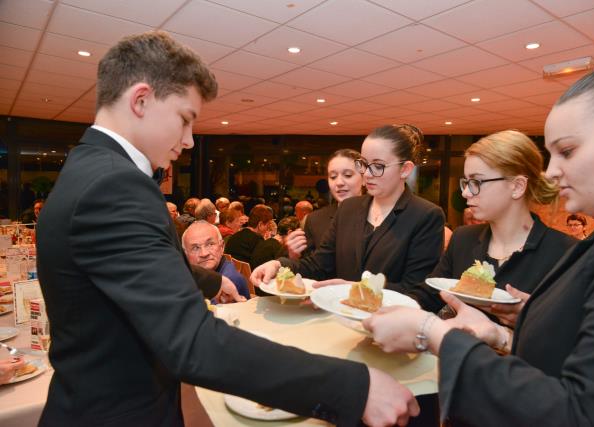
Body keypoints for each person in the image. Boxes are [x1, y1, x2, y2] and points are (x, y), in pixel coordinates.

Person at [36, 31, 417, 427]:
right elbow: (193, 342)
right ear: (141, 100)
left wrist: (209, 282)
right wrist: (353, 389)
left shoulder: (90, 167)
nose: (188, 141)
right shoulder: (115, 184)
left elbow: (135, 269)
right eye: (185, 119)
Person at [364, 46, 594, 426]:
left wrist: (435, 333)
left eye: (568, 151)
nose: (553, 171)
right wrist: (513, 324)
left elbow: (587, 413)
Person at [252, 124, 445, 296]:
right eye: (363, 164)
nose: (367, 174)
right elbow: (318, 265)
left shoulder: (425, 216)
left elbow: (418, 291)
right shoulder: (349, 209)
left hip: (389, 327)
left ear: (405, 169)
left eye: (377, 166)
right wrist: (280, 265)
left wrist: (354, 289)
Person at [411, 130, 576, 326]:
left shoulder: (565, 253)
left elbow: (567, 330)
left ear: (517, 186)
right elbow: (429, 295)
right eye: (465, 182)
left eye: (476, 182)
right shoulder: (463, 239)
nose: (465, 193)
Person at [287, 148, 364, 258]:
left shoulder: (378, 215)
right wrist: (294, 255)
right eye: (333, 177)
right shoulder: (315, 220)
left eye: (347, 175)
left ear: (364, 178)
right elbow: (309, 267)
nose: (339, 182)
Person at [182, 220, 250, 300]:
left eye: (210, 244)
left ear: (221, 247)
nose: (204, 254)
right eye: (195, 248)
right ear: (185, 254)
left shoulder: (230, 280)